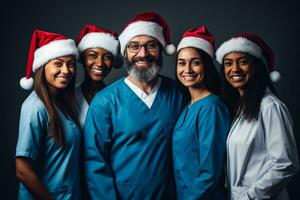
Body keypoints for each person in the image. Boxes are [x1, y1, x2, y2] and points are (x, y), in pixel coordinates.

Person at [83, 12, 186, 200]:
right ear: (124, 53)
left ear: (162, 49)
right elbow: (94, 162)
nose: (143, 54)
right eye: (134, 47)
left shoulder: (179, 94)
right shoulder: (104, 101)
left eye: (151, 45)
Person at [216, 33, 299, 200]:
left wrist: (249, 197)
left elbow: (286, 165)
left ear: (257, 67)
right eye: (228, 63)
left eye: (243, 62)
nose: (235, 69)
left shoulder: (271, 106)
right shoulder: (241, 107)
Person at [16, 30, 81, 200]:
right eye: (58, 64)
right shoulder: (35, 107)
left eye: (71, 64)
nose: (66, 70)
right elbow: (22, 170)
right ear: (42, 66)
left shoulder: (62, 104)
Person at [172, 26, 230, 200]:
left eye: (195, 62)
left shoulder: (212, 107)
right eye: (181, 63)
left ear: (206, 66)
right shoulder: (187, 106)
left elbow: (210, 170)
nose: (187, 69)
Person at [75, 25, 120, 128]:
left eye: (107, 57)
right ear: (82, 58)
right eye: (92, 55)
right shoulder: (68, 96)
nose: (100, 63)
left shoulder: (117, 98)